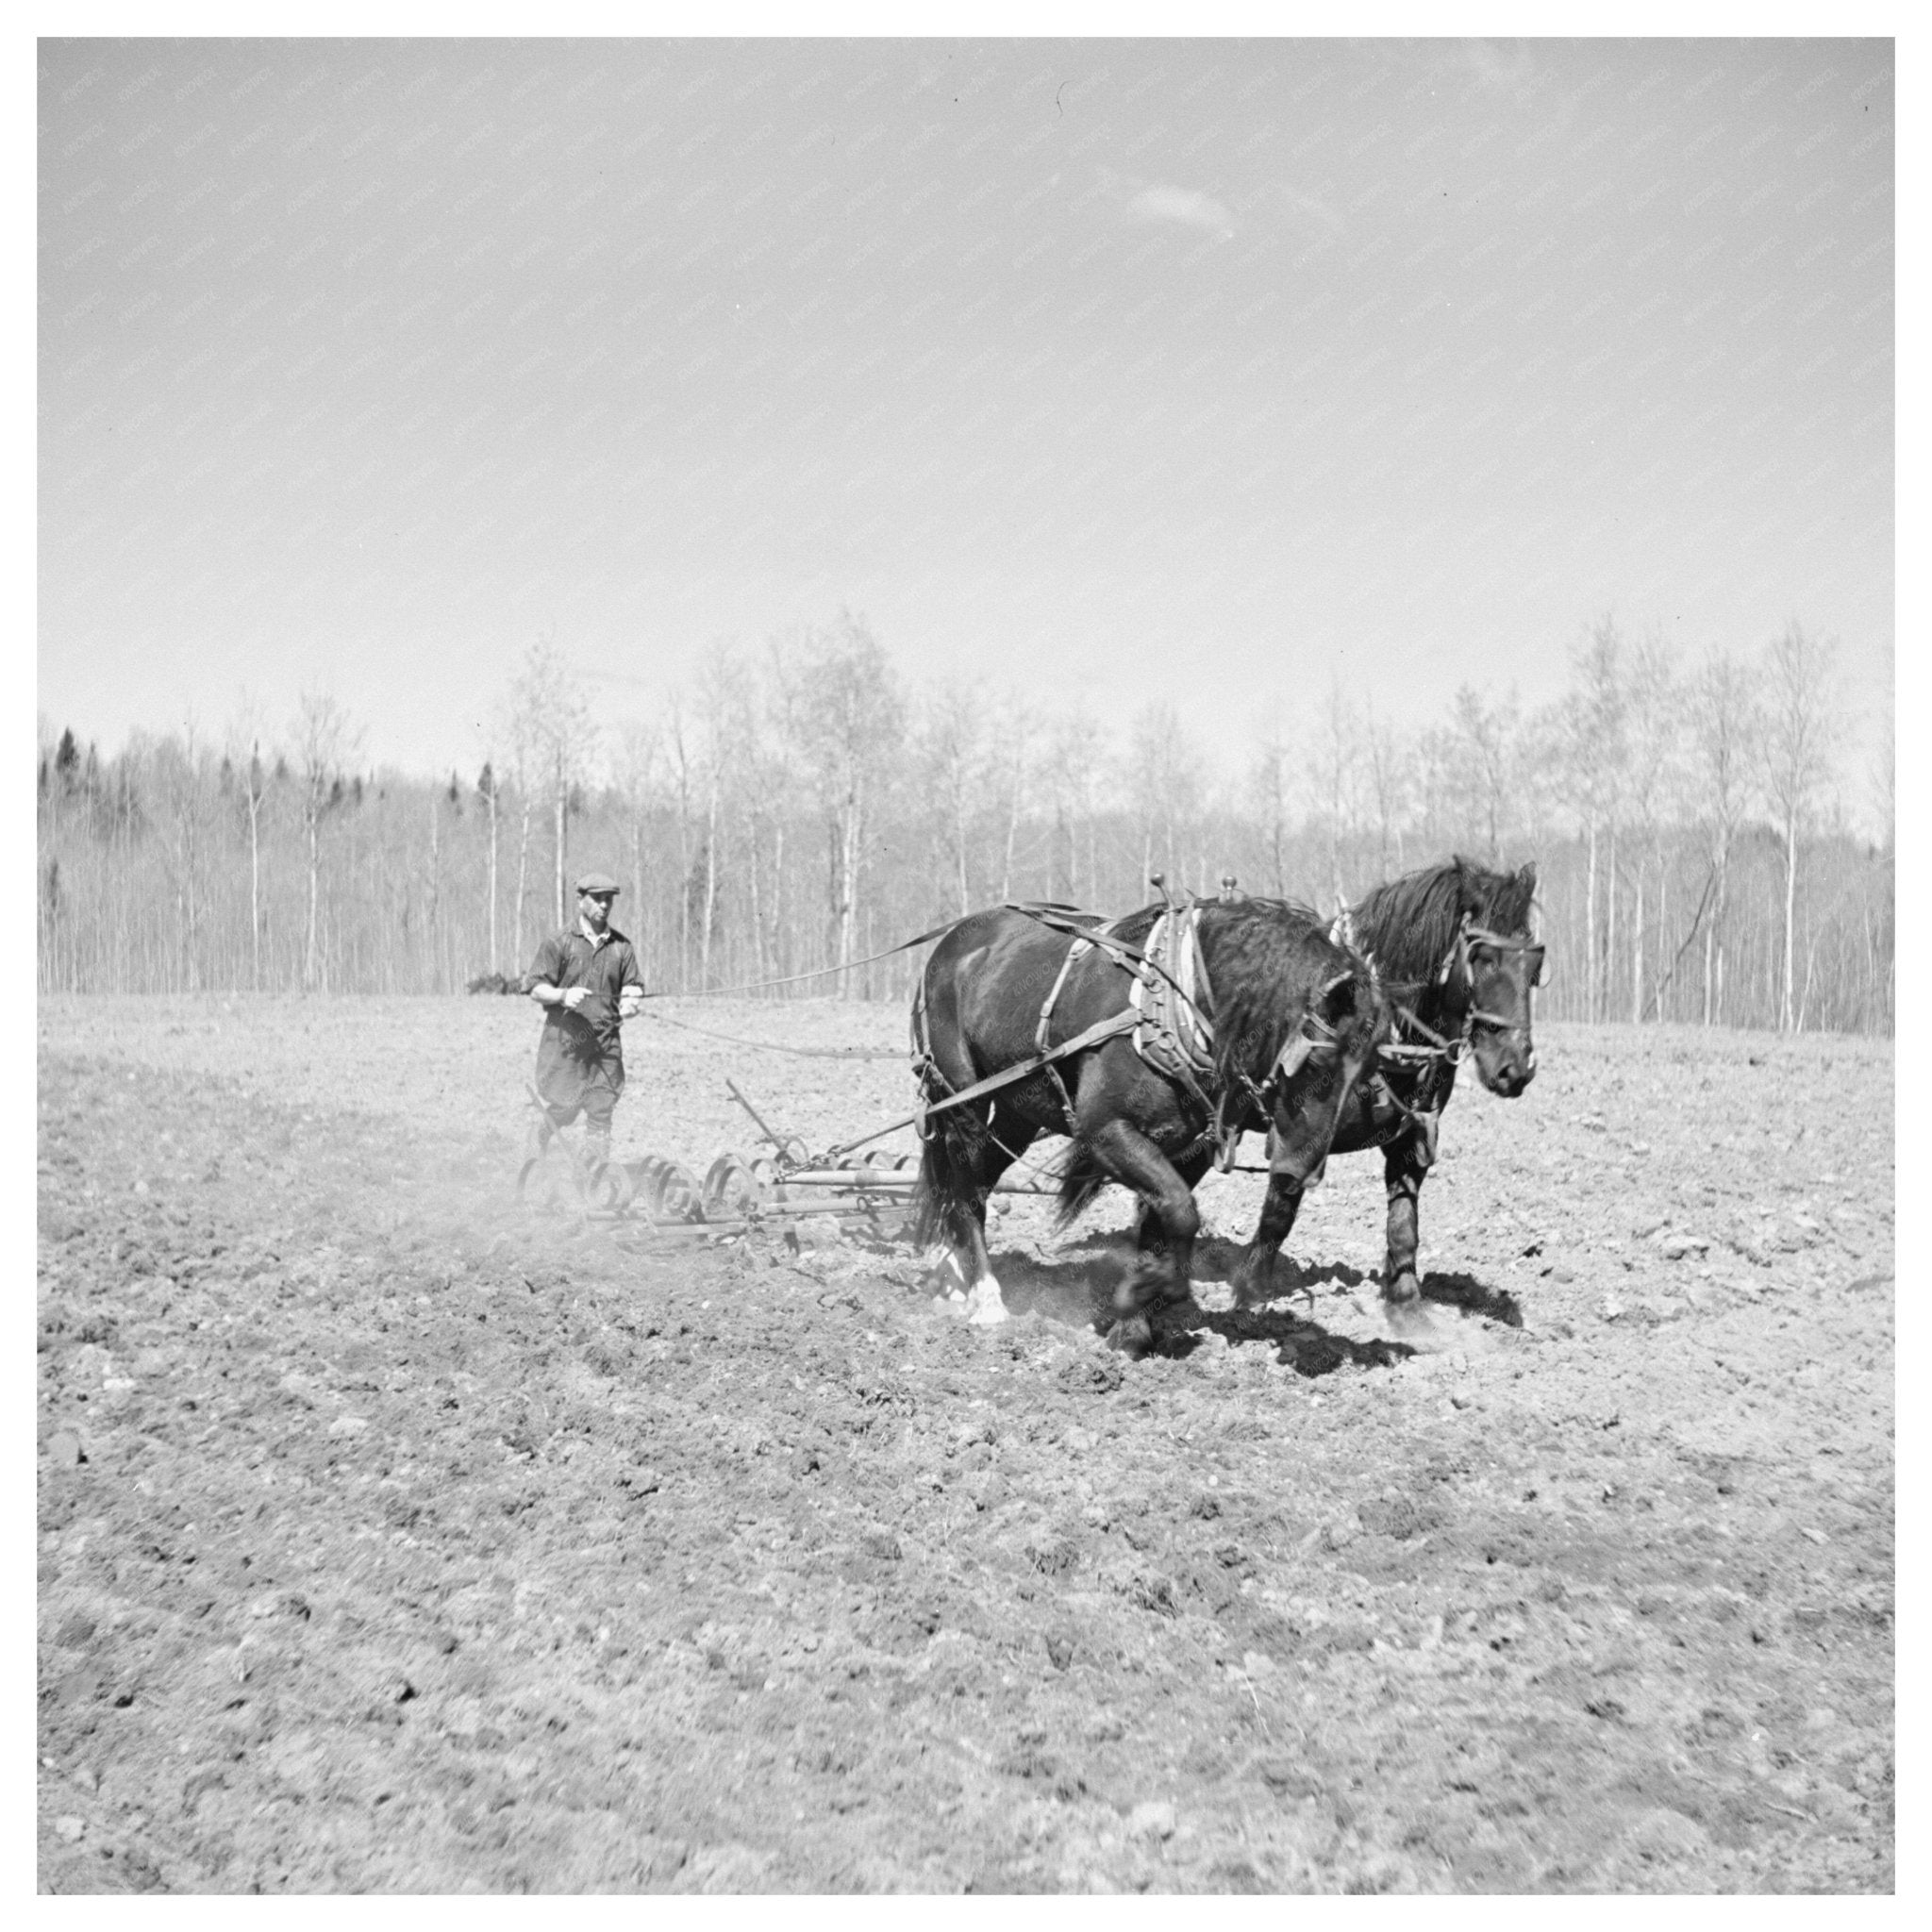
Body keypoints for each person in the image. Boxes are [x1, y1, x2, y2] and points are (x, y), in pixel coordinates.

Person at [527, 872, 645, 1167]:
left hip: (605, 1042)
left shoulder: (621, 947)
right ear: (580, 900)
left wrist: (631, 1001)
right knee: (567, 1106)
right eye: (597, 899)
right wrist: (562, 995)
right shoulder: (558, 943)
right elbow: (536, 988)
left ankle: (594, 1171)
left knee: (602, 1106)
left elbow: (632, 984)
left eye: (609, 900)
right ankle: (539, 1135)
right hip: (566, 1043)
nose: (604, 905)